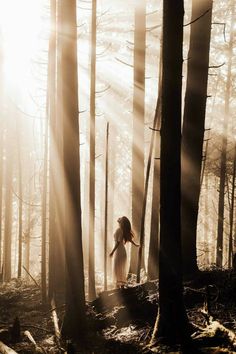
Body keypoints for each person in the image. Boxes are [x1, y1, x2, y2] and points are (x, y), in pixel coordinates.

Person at [109, 216, 139, 288]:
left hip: (119, 251)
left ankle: (118, 287)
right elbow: (130, 239)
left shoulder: (119, 230)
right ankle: (121, 286)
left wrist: (112, 252)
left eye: (119, 221)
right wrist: (135, 244)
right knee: (121, 268)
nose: (118, 222)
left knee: (117, 268)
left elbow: (118, 243)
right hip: (122, 251)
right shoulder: (123, 230)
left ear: (121, 223)